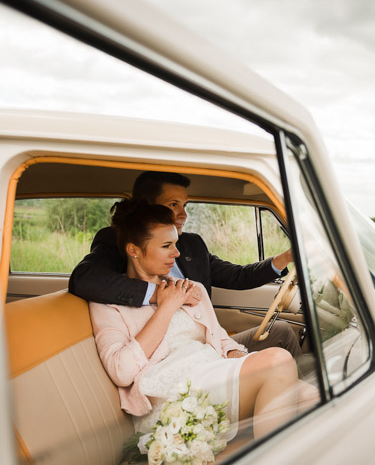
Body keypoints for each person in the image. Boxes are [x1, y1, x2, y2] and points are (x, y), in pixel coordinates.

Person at [90, 199, 307, 439]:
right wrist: (166, 307)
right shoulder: (106, 301)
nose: (177, 253)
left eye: (176, 243)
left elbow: (220, 338)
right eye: (166, 245)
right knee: (278, 360)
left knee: (310, 396)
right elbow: (121, 371)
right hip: (170, 395)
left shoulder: (191, 289)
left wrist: (237, 356)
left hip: (210, 370)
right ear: (133, 250)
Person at [70, 171, 301, 357]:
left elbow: (237, 276)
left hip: (206, 343)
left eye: (185, 205)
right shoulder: (120, 240)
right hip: (165, 353)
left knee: (282, 331)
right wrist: (160, 295)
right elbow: (85, 278)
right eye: (173, 205)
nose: (183, 214)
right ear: (148, 208)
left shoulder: (192, 245)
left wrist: (286, 258)